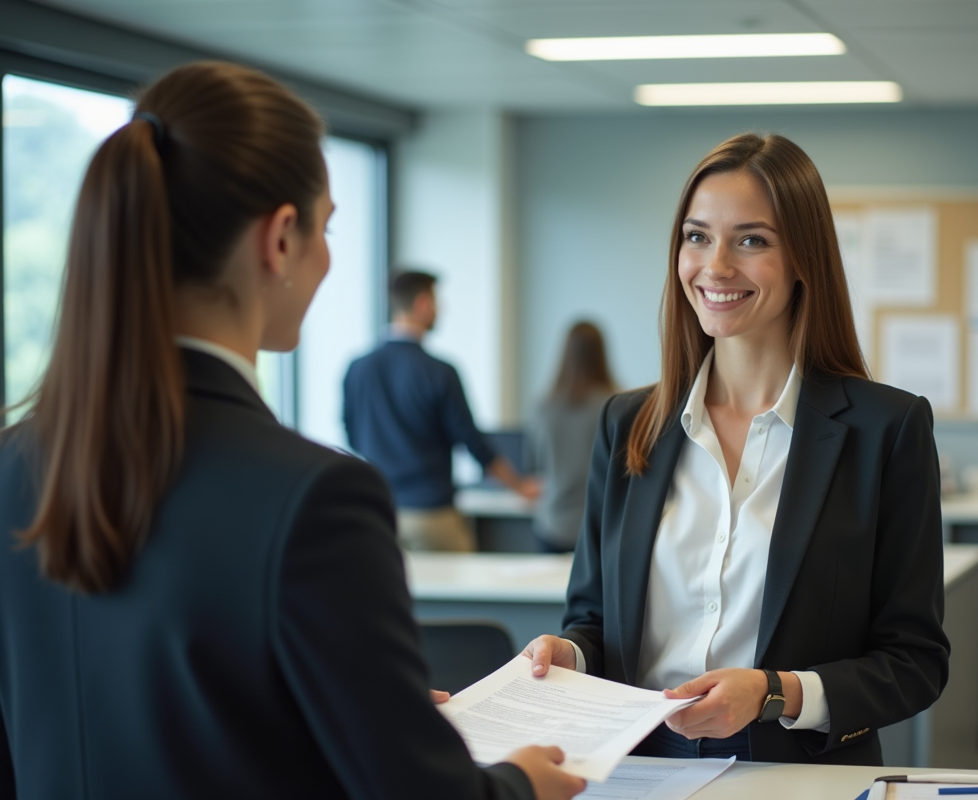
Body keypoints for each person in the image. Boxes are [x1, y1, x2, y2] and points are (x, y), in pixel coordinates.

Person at [0, 61, 584, 800]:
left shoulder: (16, 463)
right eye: (326, 226)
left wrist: (368, 711)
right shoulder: (315, 496)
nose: (328, 256)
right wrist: (521, 783)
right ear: (279, 239)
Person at [525, 132, 950, 765]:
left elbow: (915, 662)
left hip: (794, 771)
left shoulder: (886, 428)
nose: (716, 265)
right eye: (697, 236)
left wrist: (775, 693)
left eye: (751, 241)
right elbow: (593, 620)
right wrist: (571, 654)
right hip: (638, 766)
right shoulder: (628, 423)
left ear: (804, 258)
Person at [343, 271, 540, 552]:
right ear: (422, 304)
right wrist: (519, 486)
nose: (440, 309)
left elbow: (353, 436)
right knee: (460, 578)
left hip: (381, 515)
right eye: (437, 302)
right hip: (431, 516)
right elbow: (473, 442)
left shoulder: (357, 368)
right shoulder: (438, 372)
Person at [525, 321, 618, 553]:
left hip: (552, 526)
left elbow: (534, 467)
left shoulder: (542, 407)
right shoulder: (617, 406)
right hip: (601, 527)